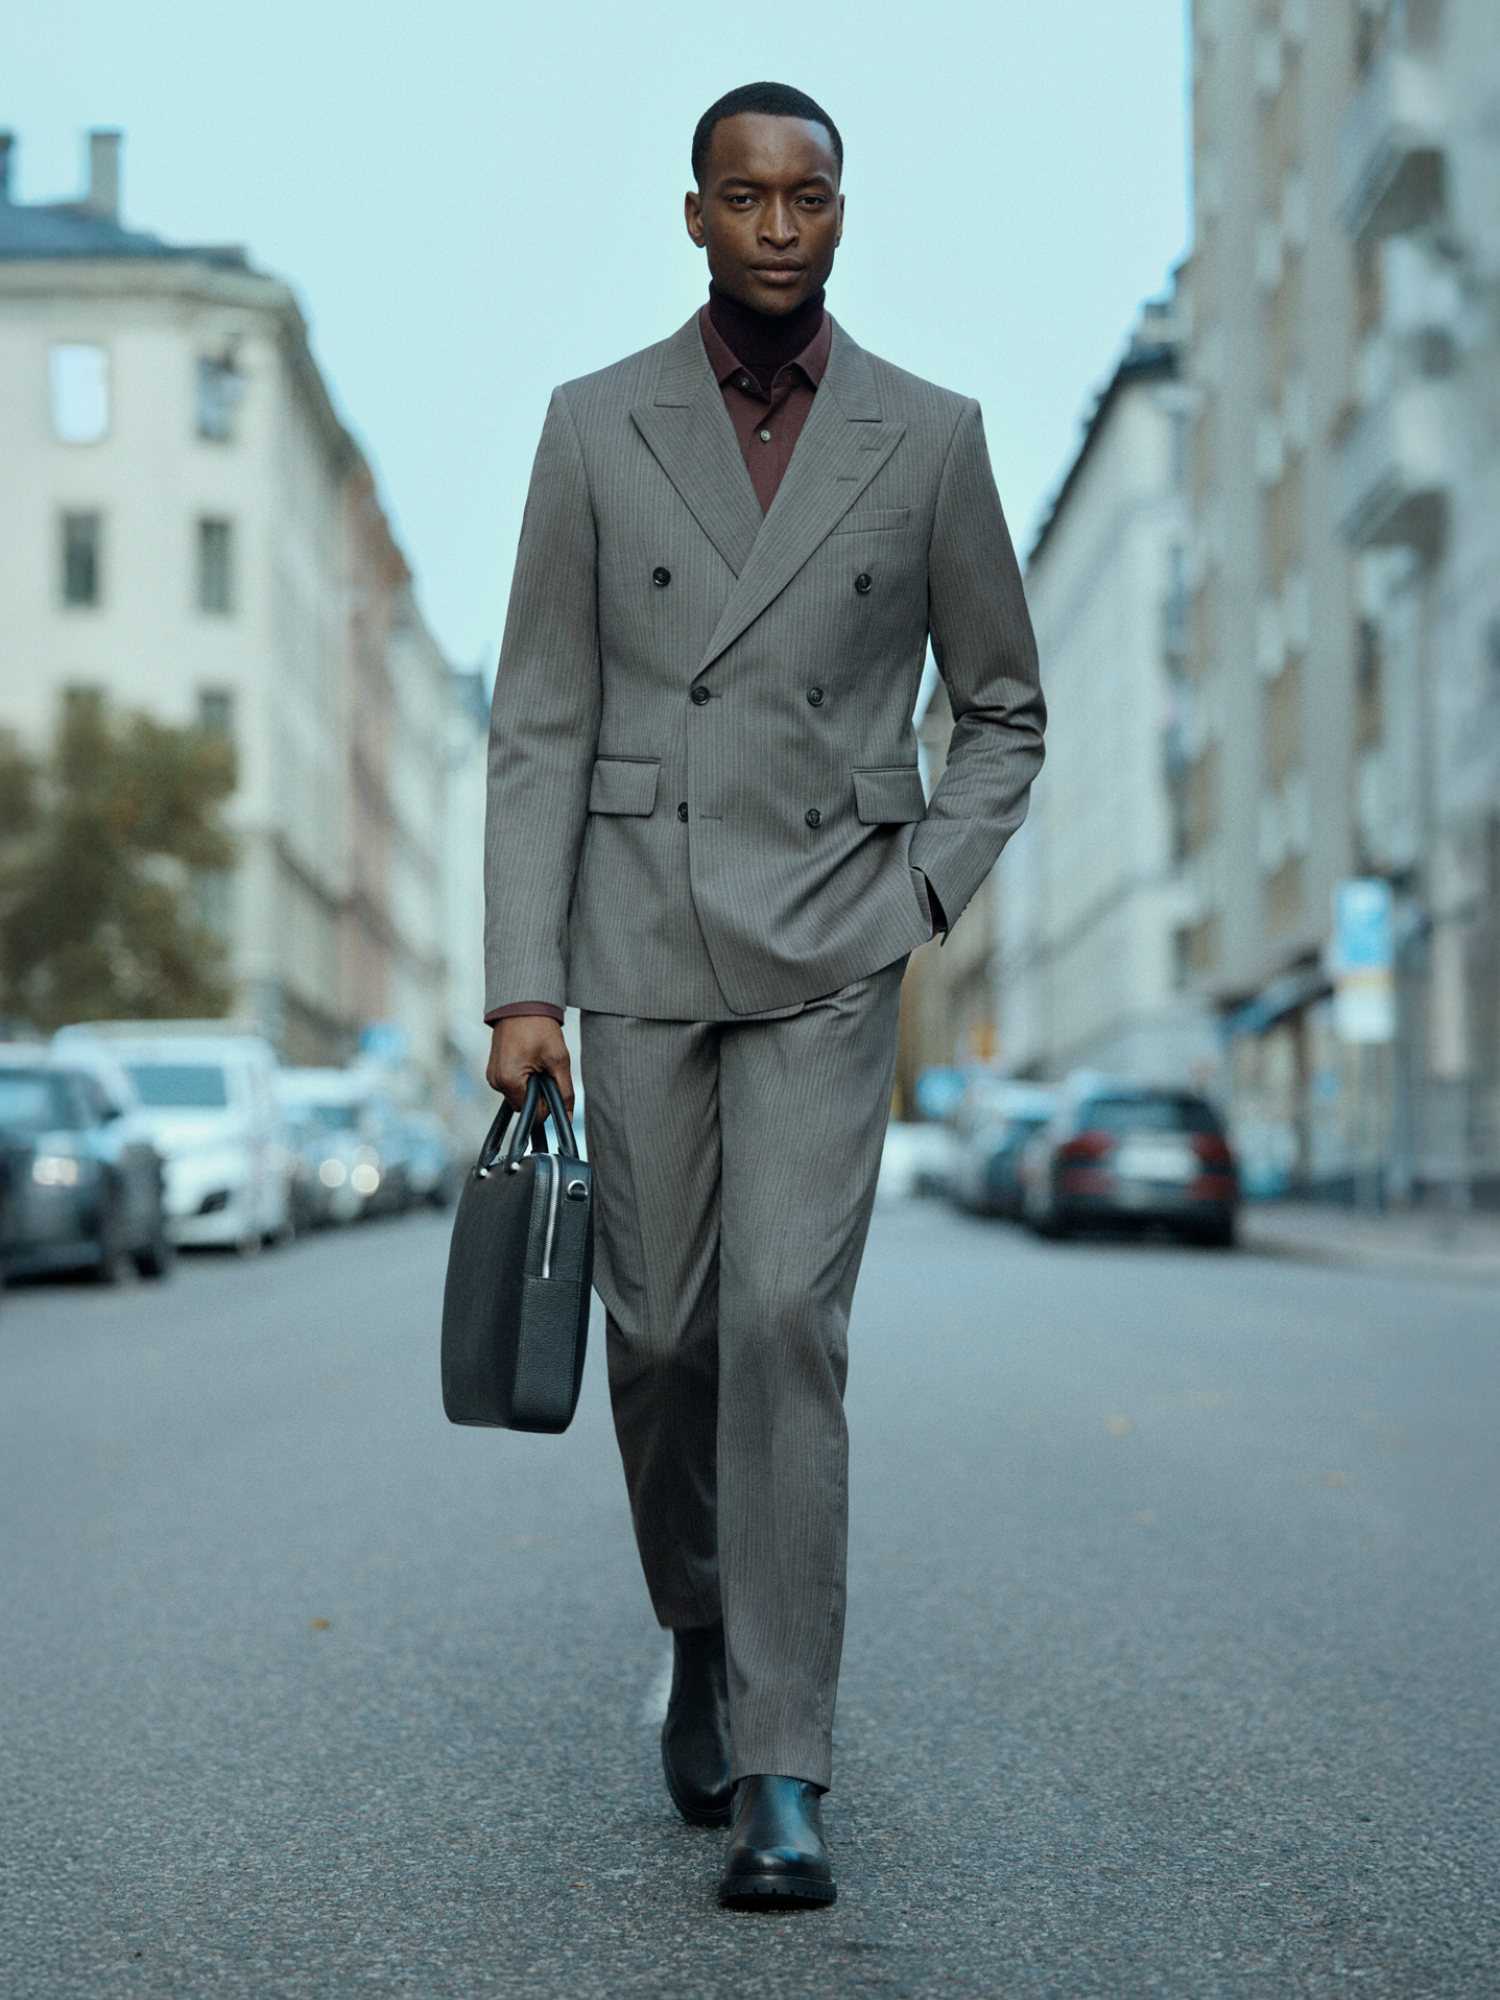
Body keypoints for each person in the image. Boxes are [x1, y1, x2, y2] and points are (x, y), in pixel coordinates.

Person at [483, 80, 1044, 1909]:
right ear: (697, 215)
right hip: (639, 932)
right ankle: (703, 1632)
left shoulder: (932, 436)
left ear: (842, 211)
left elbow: (1003, 711)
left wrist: (923, 889)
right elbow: (539, 720)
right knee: (661, 1340)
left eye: (809, 197)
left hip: (830, 942)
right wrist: (522, 980)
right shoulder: (593, 424)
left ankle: (784, 1761)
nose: (779, 227)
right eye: (747, 197)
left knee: (787, 1322)